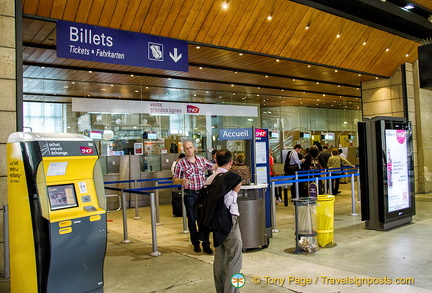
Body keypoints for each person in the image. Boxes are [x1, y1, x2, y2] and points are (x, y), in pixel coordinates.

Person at [205, 149, 243, 293]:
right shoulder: (229, 179)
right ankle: (232, 291)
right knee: (235, 258)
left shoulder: (210, 178)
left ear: (216, 161)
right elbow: (227, 203)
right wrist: (235, 192)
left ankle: (221, 290)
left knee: (220, 258)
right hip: (228, 222)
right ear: (231, 162)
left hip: (214, 222)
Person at [173, 141, 214, 254]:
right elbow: (175, 178)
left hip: (202, 193)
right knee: (192, 219)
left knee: (204, 219)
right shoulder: (181, 163)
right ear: (184, 150)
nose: (189, 150)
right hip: (189, 194)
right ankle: (196, 244)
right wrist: (182, 180)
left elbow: (213, 166)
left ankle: (206, 244)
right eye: (186, 148)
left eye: (190, 148)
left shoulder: (202, 160)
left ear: (194, 148)